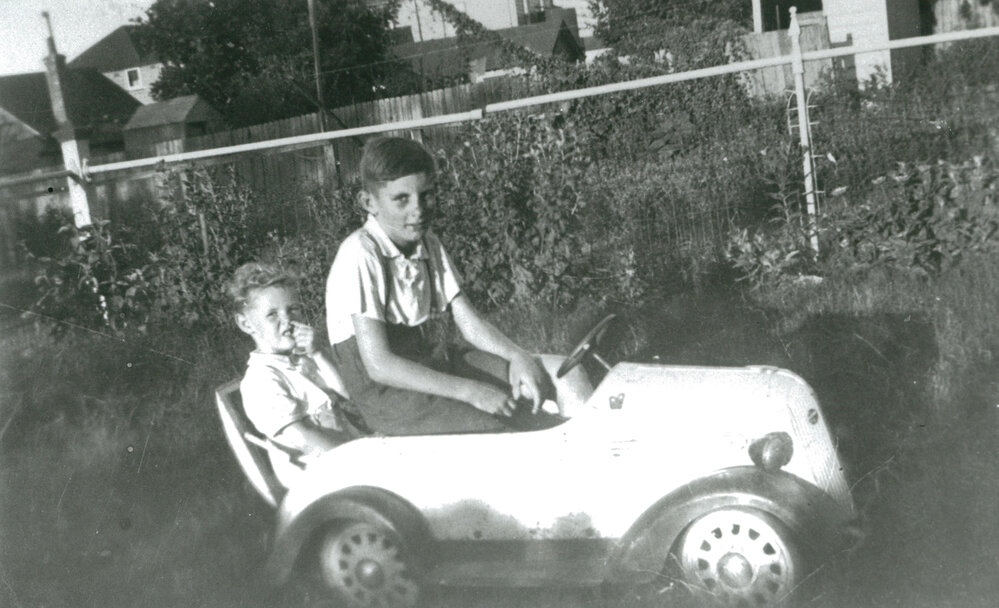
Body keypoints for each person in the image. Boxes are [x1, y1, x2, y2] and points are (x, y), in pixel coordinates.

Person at [325, 136, 556, 436]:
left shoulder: (427, 243)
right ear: (369, 202)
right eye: (401, 199)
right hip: (388, 394)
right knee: (497, 423)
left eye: (426, 195)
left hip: (432, 365)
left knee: (547, 379)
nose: (418, 209)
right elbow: (379, 365)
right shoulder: (361, 253)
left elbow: (470, 324)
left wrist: (518, 356)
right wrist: (472, 391)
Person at [228, 262, 368, 484]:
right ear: (246, 324)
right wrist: (363, 460)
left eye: (293, 309)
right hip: (320, 479)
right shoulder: (261, 380)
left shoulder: (303, 360)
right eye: (272, 314)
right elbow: (305, 438)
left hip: (350, 456)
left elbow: (348, 395)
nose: (288, 320)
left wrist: (318, 354)